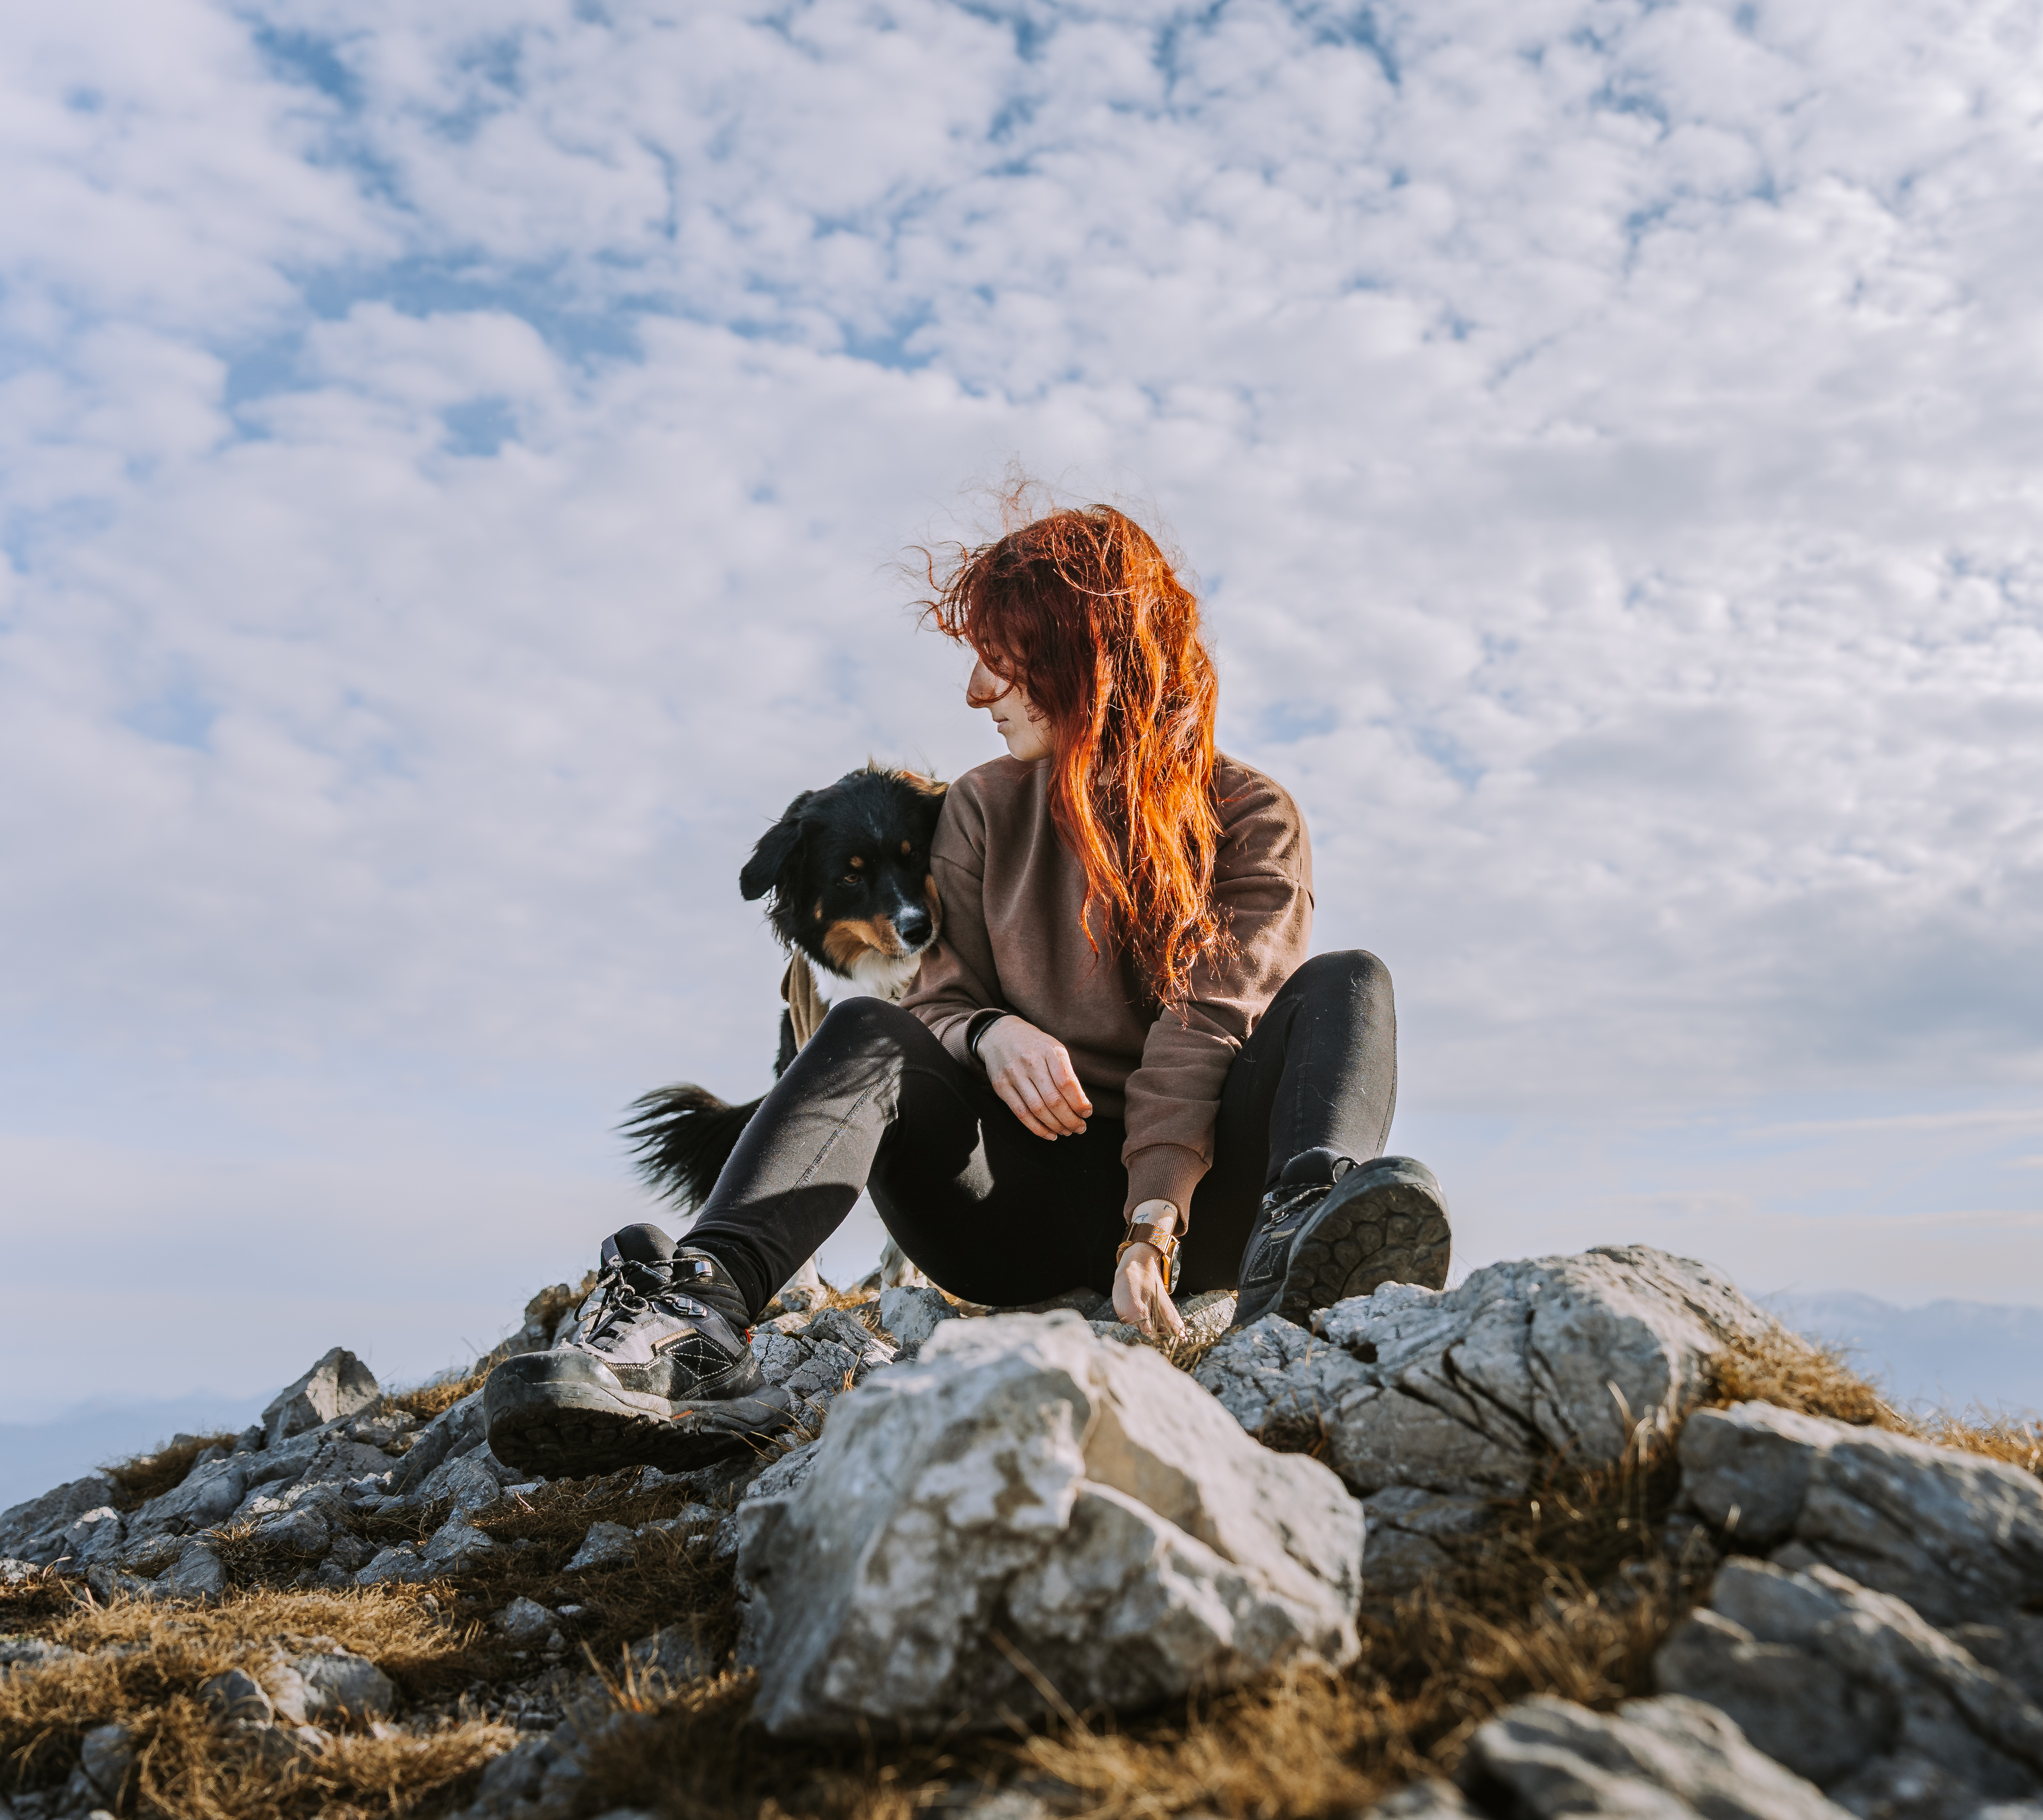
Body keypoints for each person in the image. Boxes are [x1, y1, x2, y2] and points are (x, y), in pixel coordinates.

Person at [485, 502, 1453, 1476]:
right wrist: (988, 1031)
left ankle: (1312, 1245)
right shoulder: (985, 805)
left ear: (1086, 656)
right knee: (869, 1025)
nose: (975, 689)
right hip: (1011, 1208)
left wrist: (1152, 1225)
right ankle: (693, 1314)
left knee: (1348, 982)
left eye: (1002, 656)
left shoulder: (1253, 817)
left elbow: (1206, 1028)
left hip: (1202, 1213)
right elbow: (936, 1003)